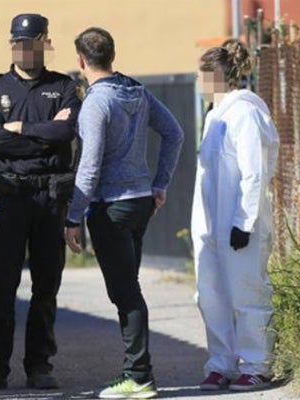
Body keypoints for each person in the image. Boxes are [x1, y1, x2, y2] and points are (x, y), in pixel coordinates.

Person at [64, 27, 184, 399]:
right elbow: (175, 133)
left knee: (125, 292)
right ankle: (136, 372)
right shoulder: (136, 90)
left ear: (81, 60)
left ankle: (139, 377)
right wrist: (159, 183)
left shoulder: (97, 103)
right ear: (111, 55)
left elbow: (90, 164)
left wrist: (73, 216)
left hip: (112, 206)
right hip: (139, 202)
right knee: (127, 288)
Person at [0, 13, 81, 391]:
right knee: (1, 283)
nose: (23, 48)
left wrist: (21, 129)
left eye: (31, 41)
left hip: (50, 194)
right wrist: (43, 137)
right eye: (17, 41)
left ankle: (39, 364)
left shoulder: (64, 87)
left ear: (45, 42)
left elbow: (66, 131)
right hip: (9, 194)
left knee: (46, 283)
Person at [193, 42, 279, 392]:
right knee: (210, 294)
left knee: (247, 293)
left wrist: (244, 221)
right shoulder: (215, 115)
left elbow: (253, 172)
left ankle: (257, 364)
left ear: (215, 76)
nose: (199, 82)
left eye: (202, 75)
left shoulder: (245, 112)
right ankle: (221, 363)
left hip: (240, 223)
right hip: (211, 225)